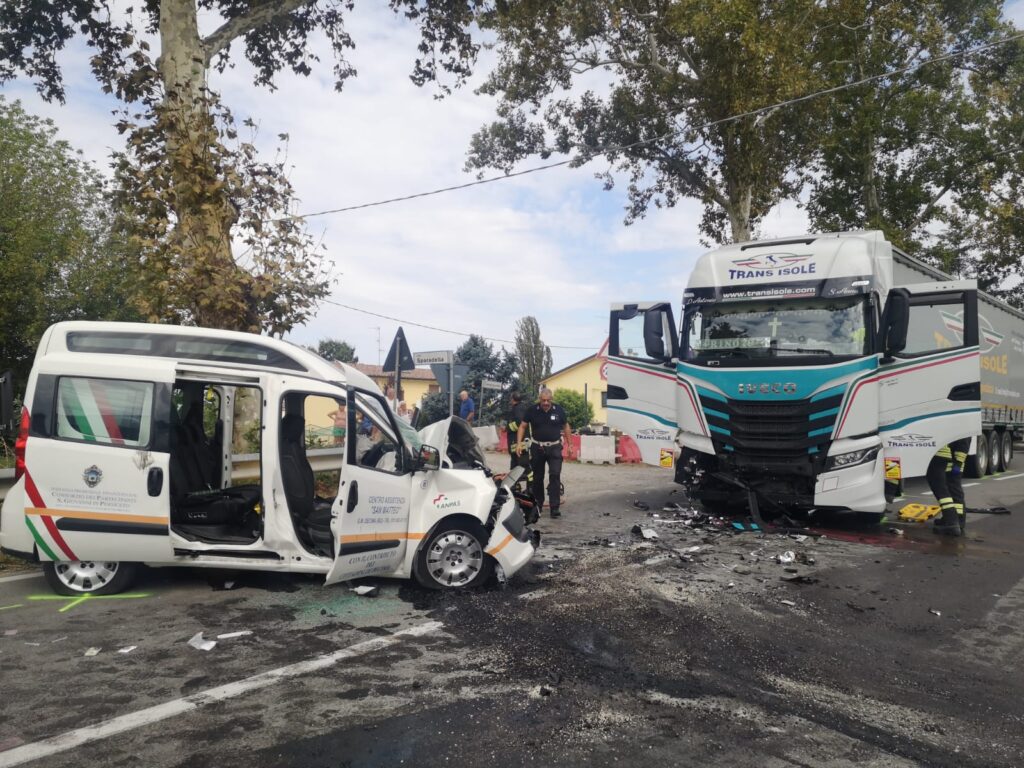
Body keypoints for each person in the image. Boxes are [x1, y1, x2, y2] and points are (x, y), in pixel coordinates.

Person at [515, 388, 573, 518]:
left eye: (548, 400)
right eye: (543, 400)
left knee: (555, 475)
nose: (546, 403)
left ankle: (554, 507)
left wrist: (570, 444)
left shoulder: (558, 410)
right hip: (537, 447)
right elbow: (523, 426)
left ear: (551, 399)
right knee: (537, 478)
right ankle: (538, 505)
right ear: (539, 399)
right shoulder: (532, 410)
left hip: (554, 447)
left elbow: (566, 426)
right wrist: (519, 443)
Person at [928, 437, 971, 536]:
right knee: (951, 489)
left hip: (954, 463)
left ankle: (958, 519)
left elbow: (964, 444)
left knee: (954, 490)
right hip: (951, 460)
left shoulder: (964, 425)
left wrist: (958, 463)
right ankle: (953, 519)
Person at [506, 391, 530, 472]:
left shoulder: (518, 408)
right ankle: (515, 483)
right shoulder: (521, 407)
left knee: (522, 466)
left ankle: (530, 484)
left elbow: (520, 423)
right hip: (518, 442)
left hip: (518, 443)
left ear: (512, 399)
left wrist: (508, 427)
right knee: (515, 466)